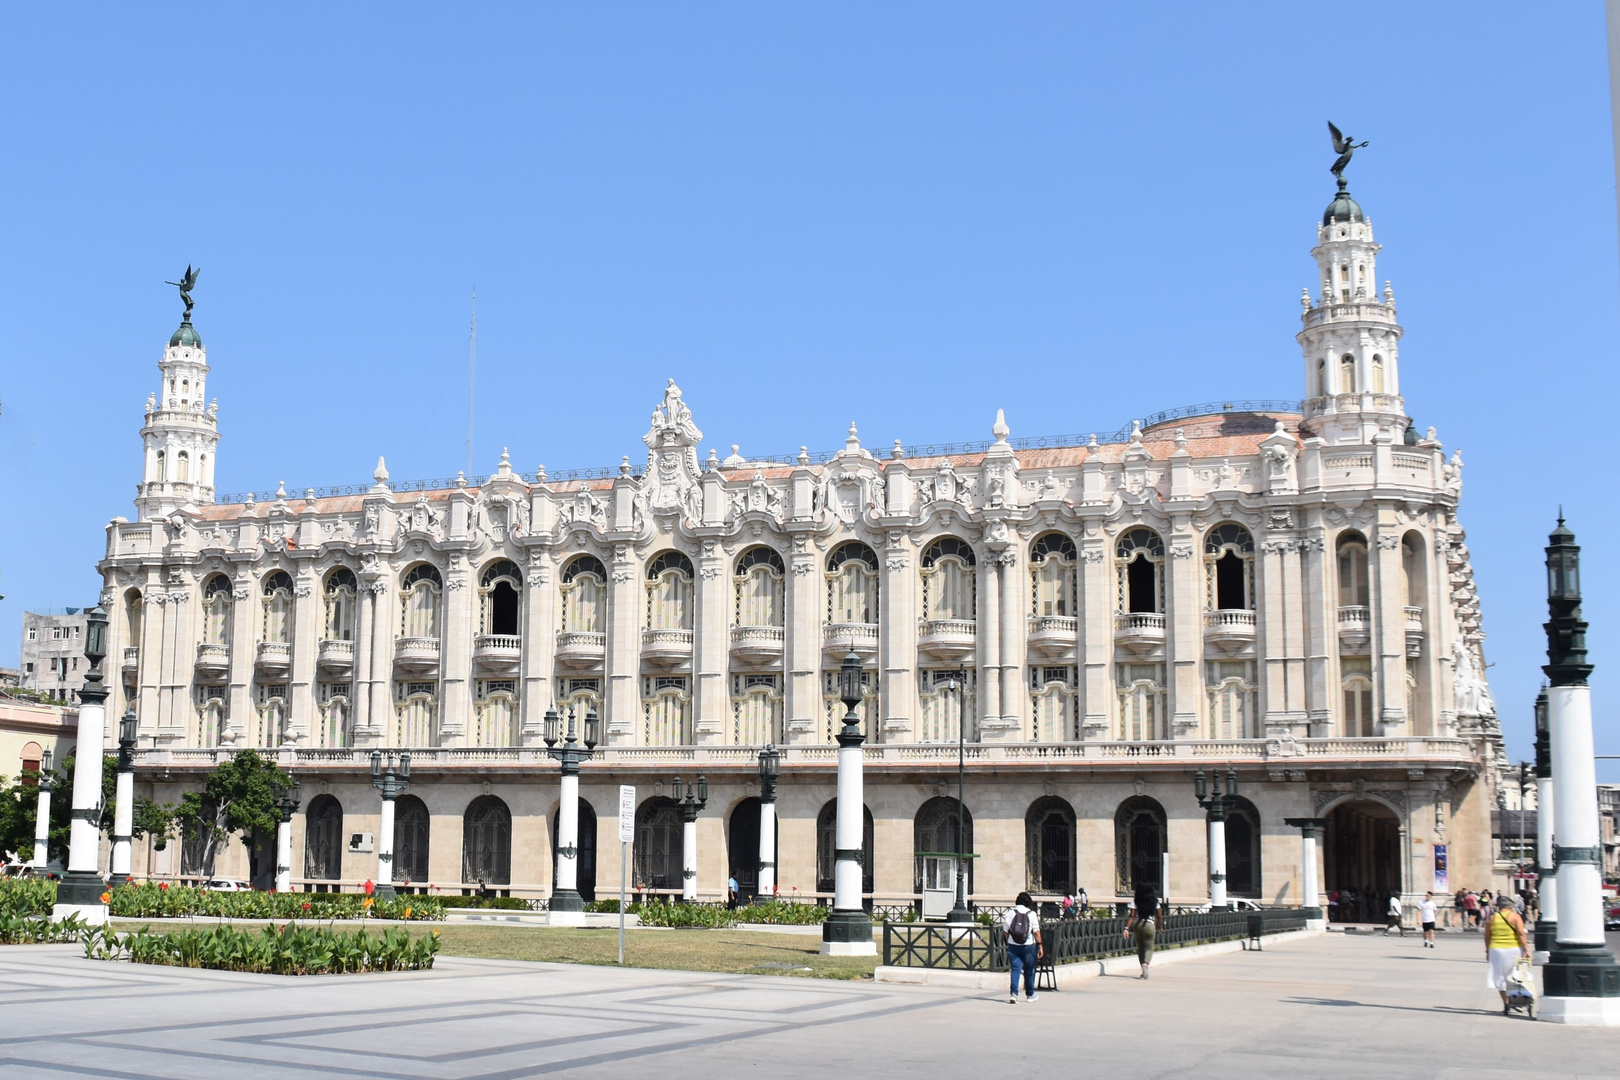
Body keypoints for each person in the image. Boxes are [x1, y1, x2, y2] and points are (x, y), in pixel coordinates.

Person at [1483, 893, 1530, 1015]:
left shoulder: (1492, 918)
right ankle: (1516, 1001)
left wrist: (1487, 951)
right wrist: (1527, 949)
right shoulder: (1515, 917)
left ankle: (1506, 1002)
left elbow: (1487, 937)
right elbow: (1521, 933)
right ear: (1510, 906)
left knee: (1500, 977)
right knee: (1516, 976)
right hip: (1513, 949)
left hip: (1496, 951)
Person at [1002, 891, 1043, 1003]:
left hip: (1013, 946)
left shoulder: (1010, 913)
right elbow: (1037, 932)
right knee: (1029, 970)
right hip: (1028, 945)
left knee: (1015, 969)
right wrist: (1040, 946)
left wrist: (1010, 940)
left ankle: (1014, 994)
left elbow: (1005, 931)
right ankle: (1030, 995)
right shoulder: (1031, 914)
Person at [1122, 879, 1159, 979]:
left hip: (1137, 925)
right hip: (1150, 925)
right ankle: (1146, 964)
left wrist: (1126, 928)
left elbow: (1132, 915)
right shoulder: (1155, 901)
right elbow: (1159, 915)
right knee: (1149, 947)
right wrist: (1161, 927)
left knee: (1140, 948)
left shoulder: (1135, 901)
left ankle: (1143, 970)